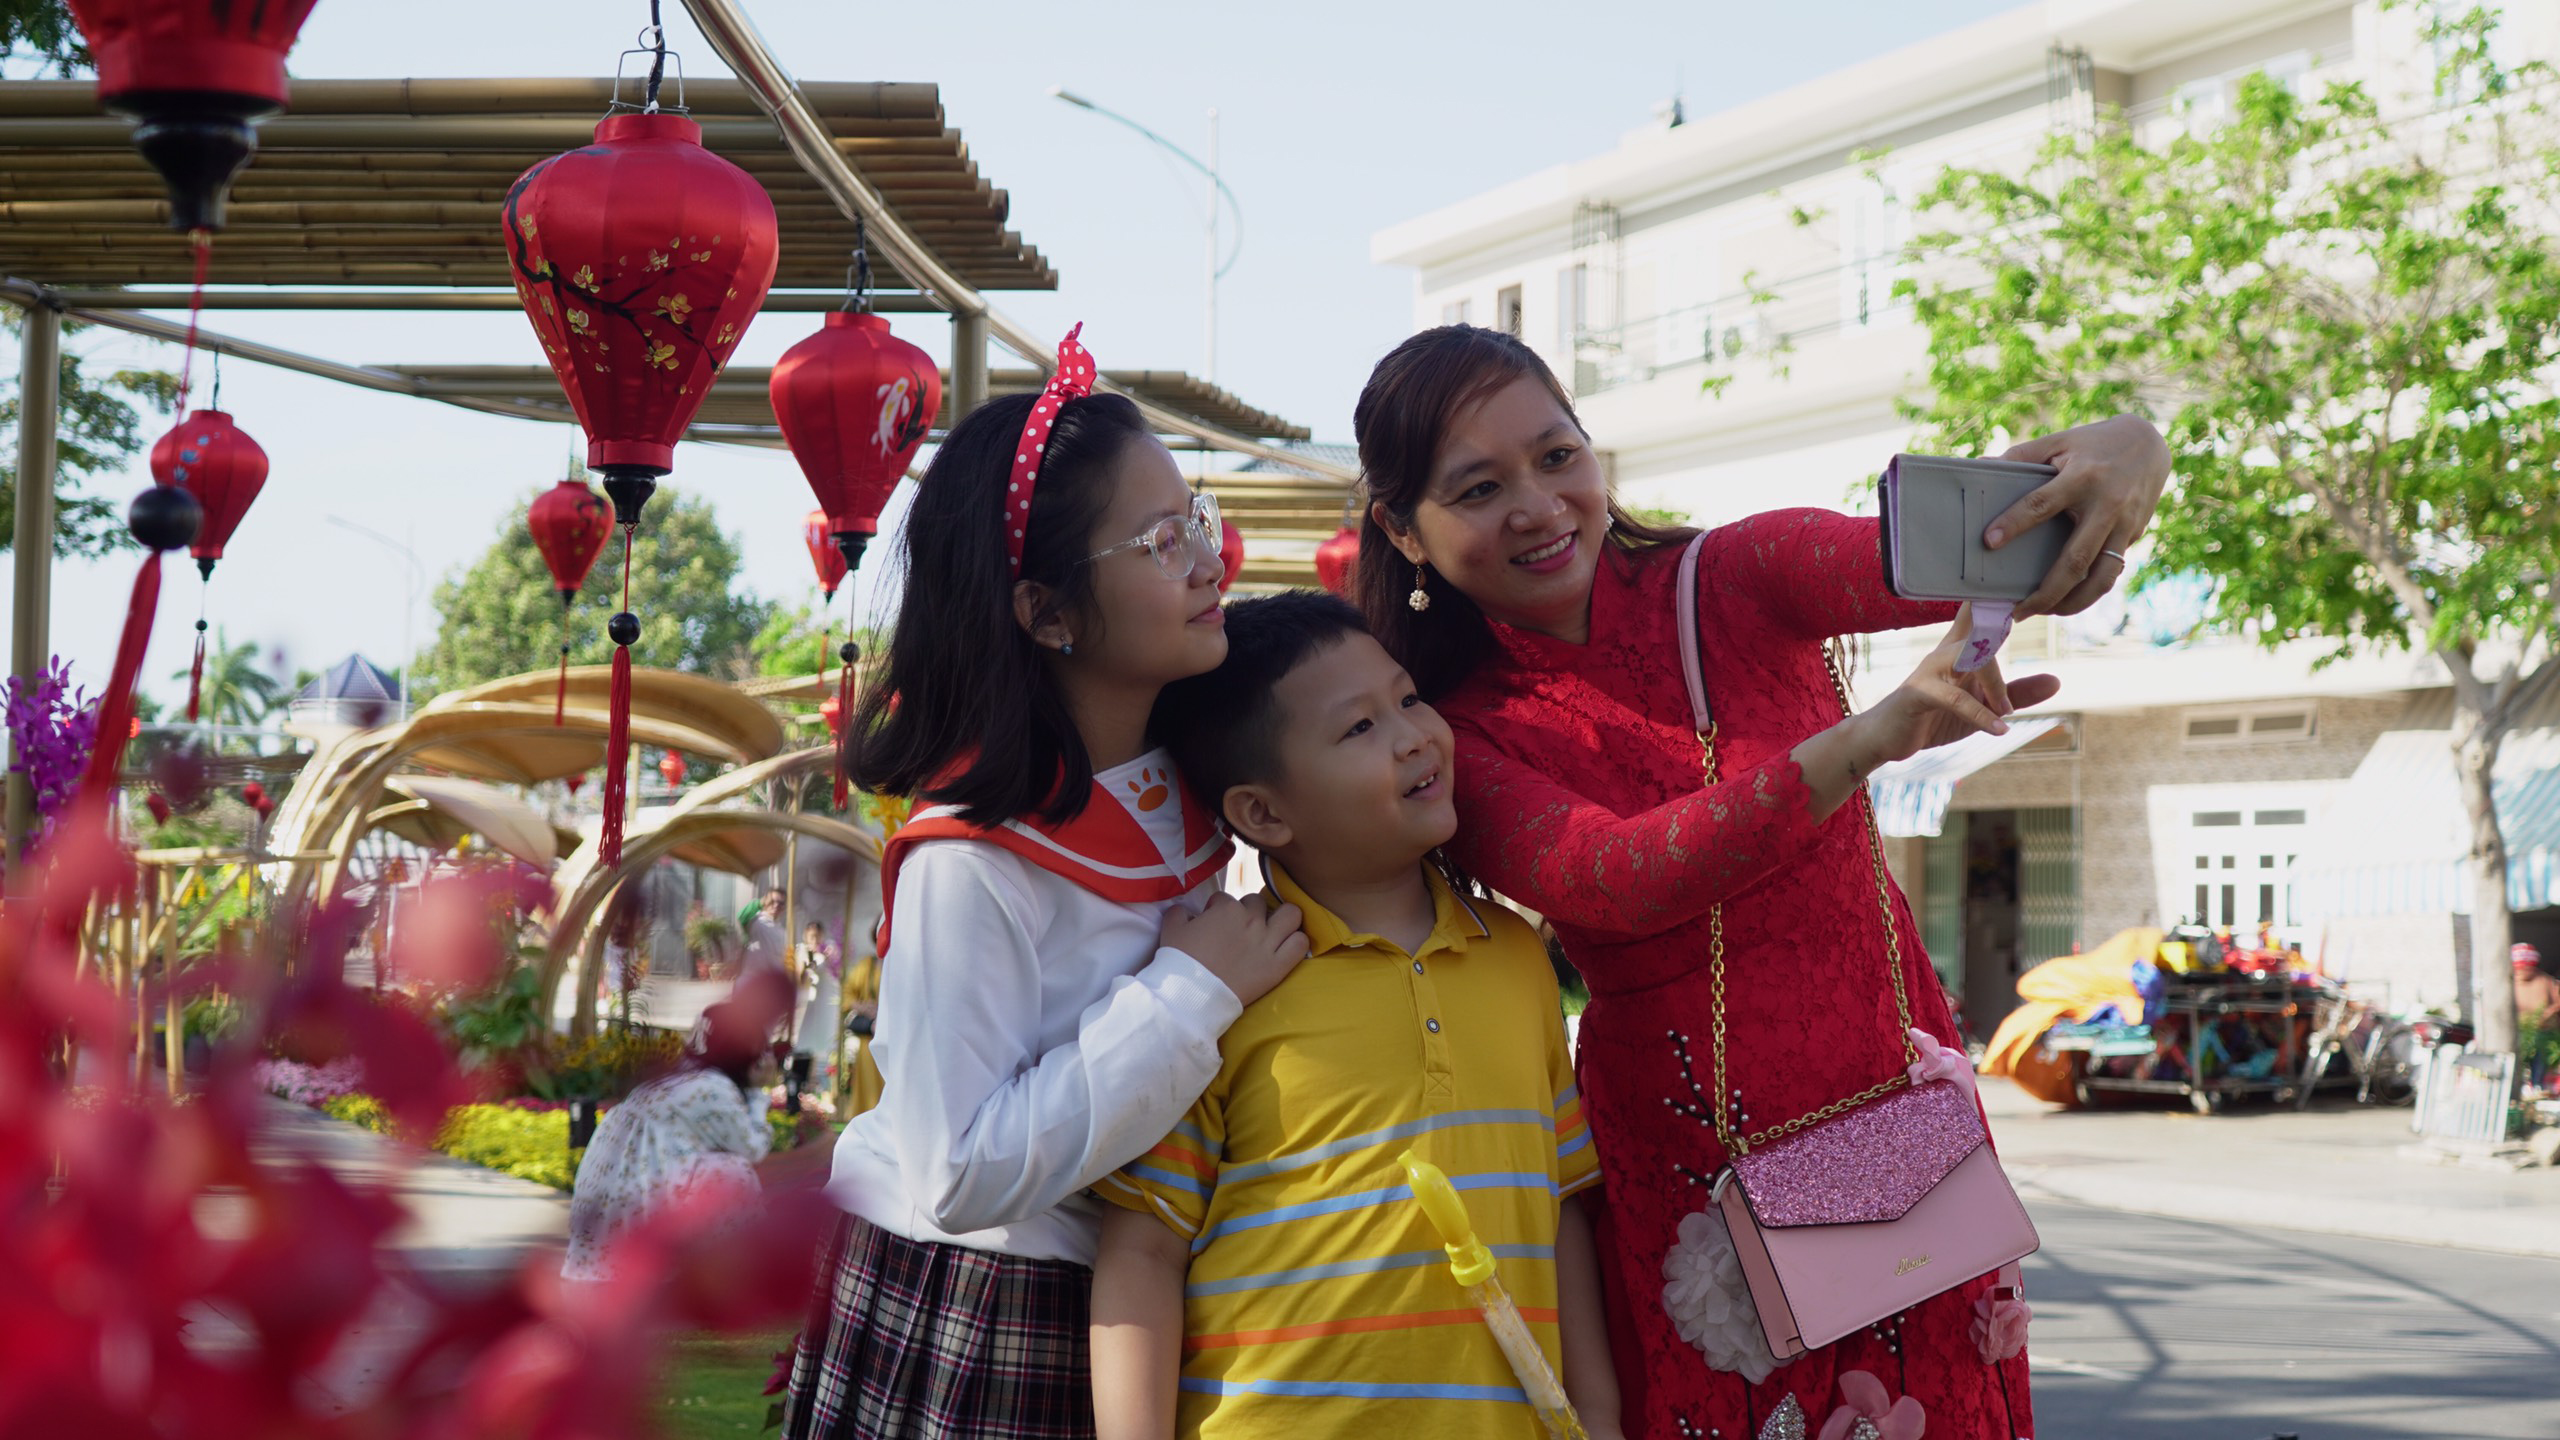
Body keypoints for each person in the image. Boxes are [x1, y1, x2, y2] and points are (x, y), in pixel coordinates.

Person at [1352, 325, 2168, 1439]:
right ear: (1402, 530)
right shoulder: (1453, 728)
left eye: (1557, 457)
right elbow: (1613, 879)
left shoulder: (1735, 573)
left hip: (1884, 1109)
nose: (1538, 506)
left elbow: (1926, 550)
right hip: (1696, 1167)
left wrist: (2124, 452)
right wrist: (1868, 739)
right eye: (1479, 488)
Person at [780, 328, 1310, 1440]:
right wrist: (1190, 992)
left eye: (1198, 522)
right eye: (1165, 541)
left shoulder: (1189, 785)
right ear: (1046, 611)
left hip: (1139, 1275)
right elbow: (956, 1171)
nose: (1213, 560)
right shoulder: (973, 861)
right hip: (984, 1291)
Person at [1092, 592, 1618, 1439]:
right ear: (1263, 813)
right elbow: (1143, 1246)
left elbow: (1559, 1213)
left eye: (1407, 699)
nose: (1414, 735)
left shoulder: (1518, 958)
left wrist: (1599, 1416)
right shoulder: (1224, 985)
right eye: (1358, 729)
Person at [562, 995, 775, 1283]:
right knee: (734, 1173)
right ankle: (725, 1281)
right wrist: (756, 1093)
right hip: (636, 1245)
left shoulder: (676, 1077)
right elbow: (753, 1148)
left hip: (596, 1247)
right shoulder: (712, 1088)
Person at [2516, 944, 2560, 1027]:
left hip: (2546, 1031)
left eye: (2525, 969)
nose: (2519, 973)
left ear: (2534, 968)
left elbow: (2557, 1004)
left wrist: (2550, 1012)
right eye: (2517, 969)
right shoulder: (2505, 985)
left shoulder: (2547, 982)